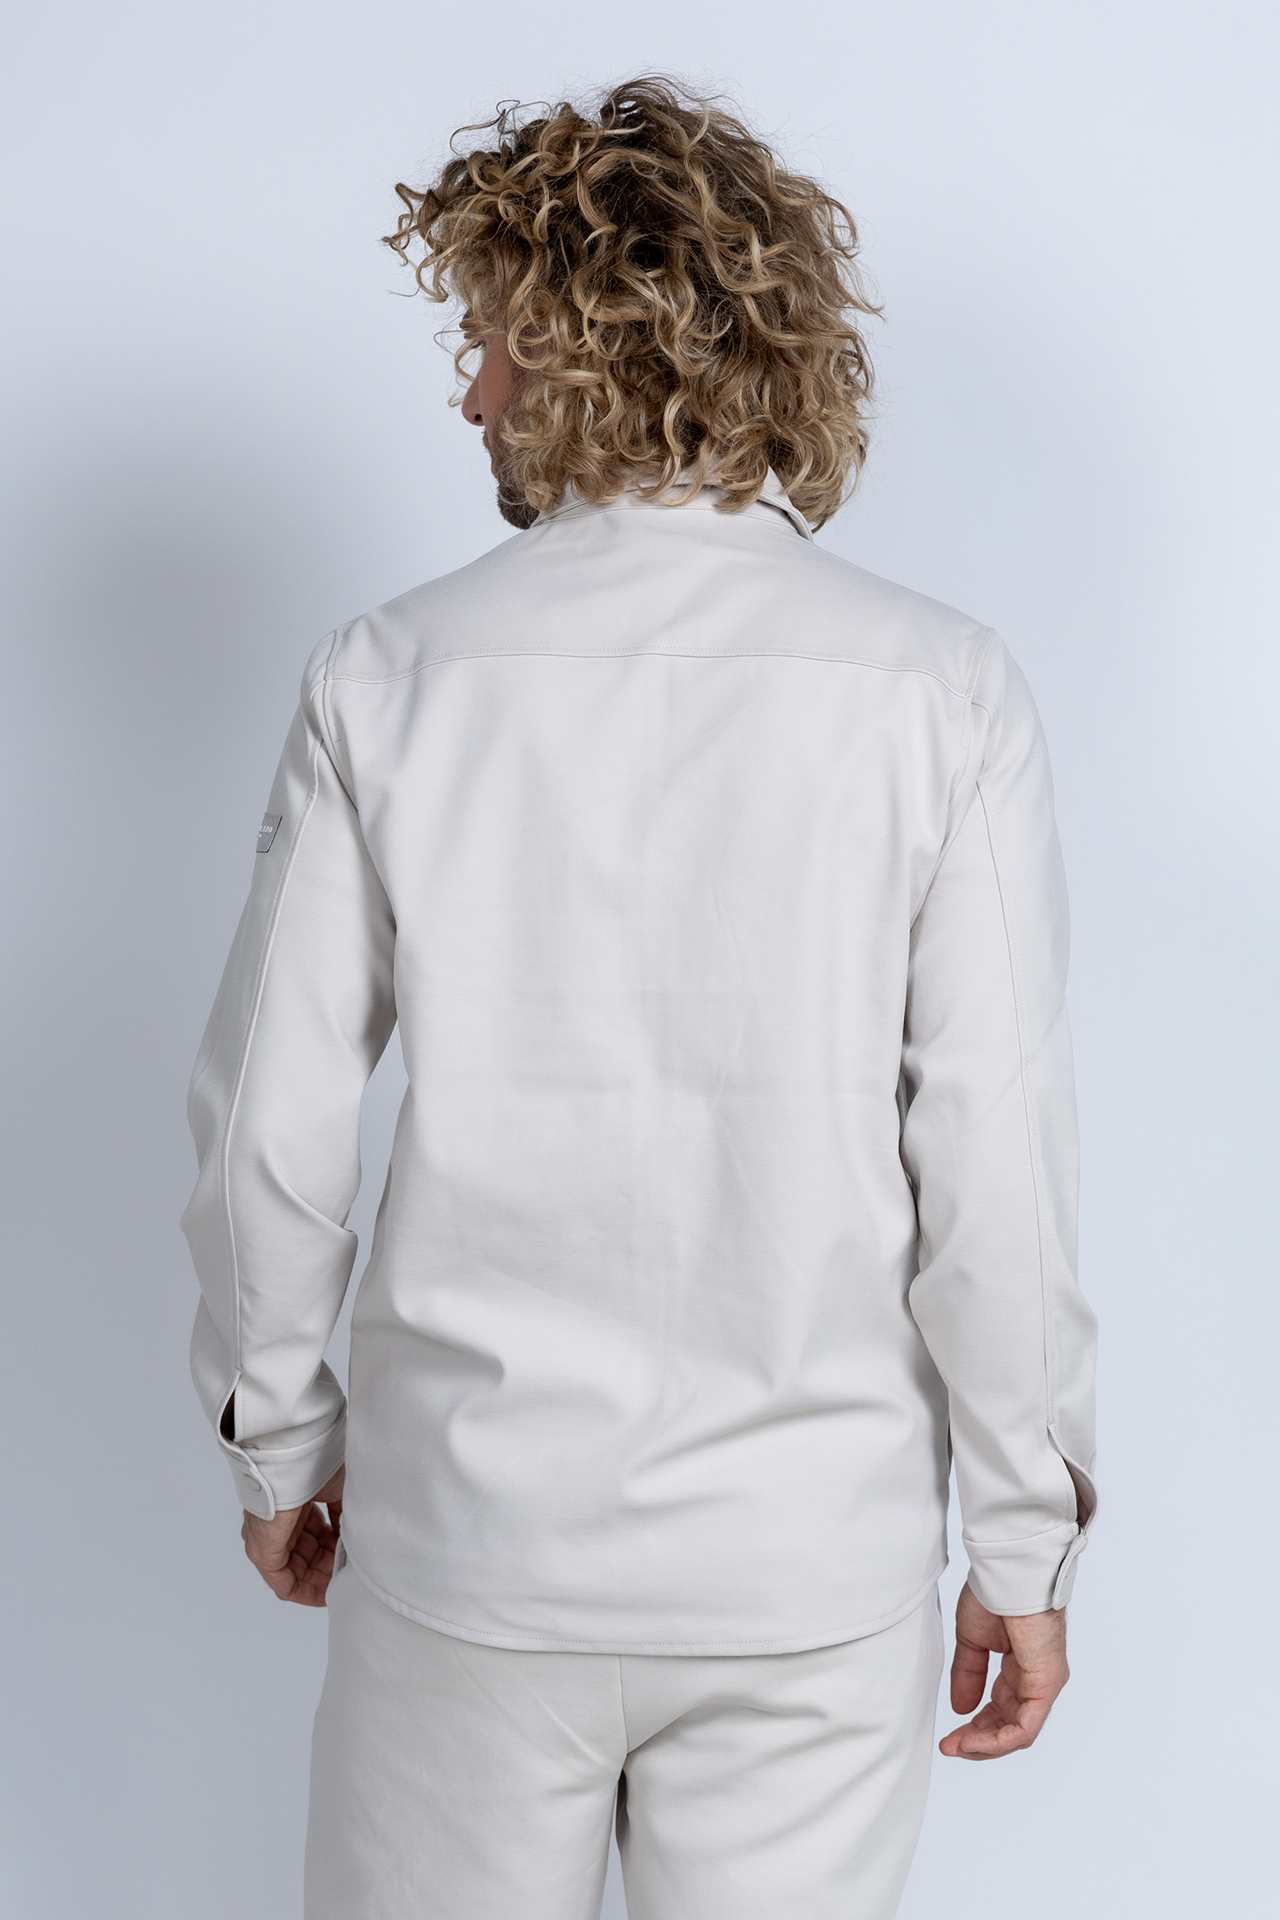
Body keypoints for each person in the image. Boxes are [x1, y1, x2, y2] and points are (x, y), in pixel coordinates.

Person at [180, 75, 1097, 1920]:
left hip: (475, 1551)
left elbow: (269, 1131)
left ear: (580, 346)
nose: (470, 396)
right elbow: (995, 1167)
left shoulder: (390, 677)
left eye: (490, 342)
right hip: (805, 1575)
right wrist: (1024, 1536)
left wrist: (278, 1440)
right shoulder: (940, 692)